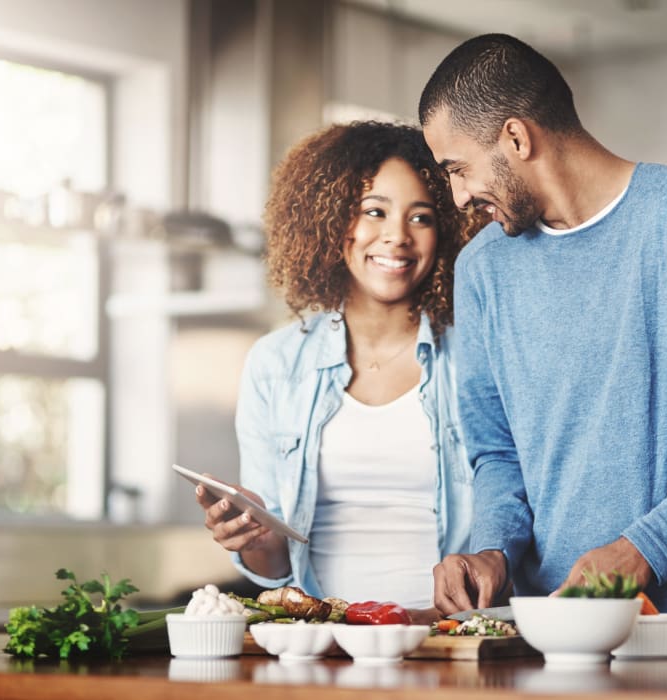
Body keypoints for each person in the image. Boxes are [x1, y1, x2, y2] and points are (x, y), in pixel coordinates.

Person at [418, 33, 667, 650]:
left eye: (458, 168)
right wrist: (493, 547)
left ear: (517, 138)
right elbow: (496, 450)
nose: (459, 195)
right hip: (548, 632)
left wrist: (641, 552)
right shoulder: (482, 269)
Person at [194, 121, 483, 622]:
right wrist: (254, 537)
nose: (396, 236)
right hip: (323, 643)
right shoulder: (275, 365)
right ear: (331, 223)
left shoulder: (477, 356)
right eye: (375, 211)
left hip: (446, 640)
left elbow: (512, 519)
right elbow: (276, 572)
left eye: (422, 217)